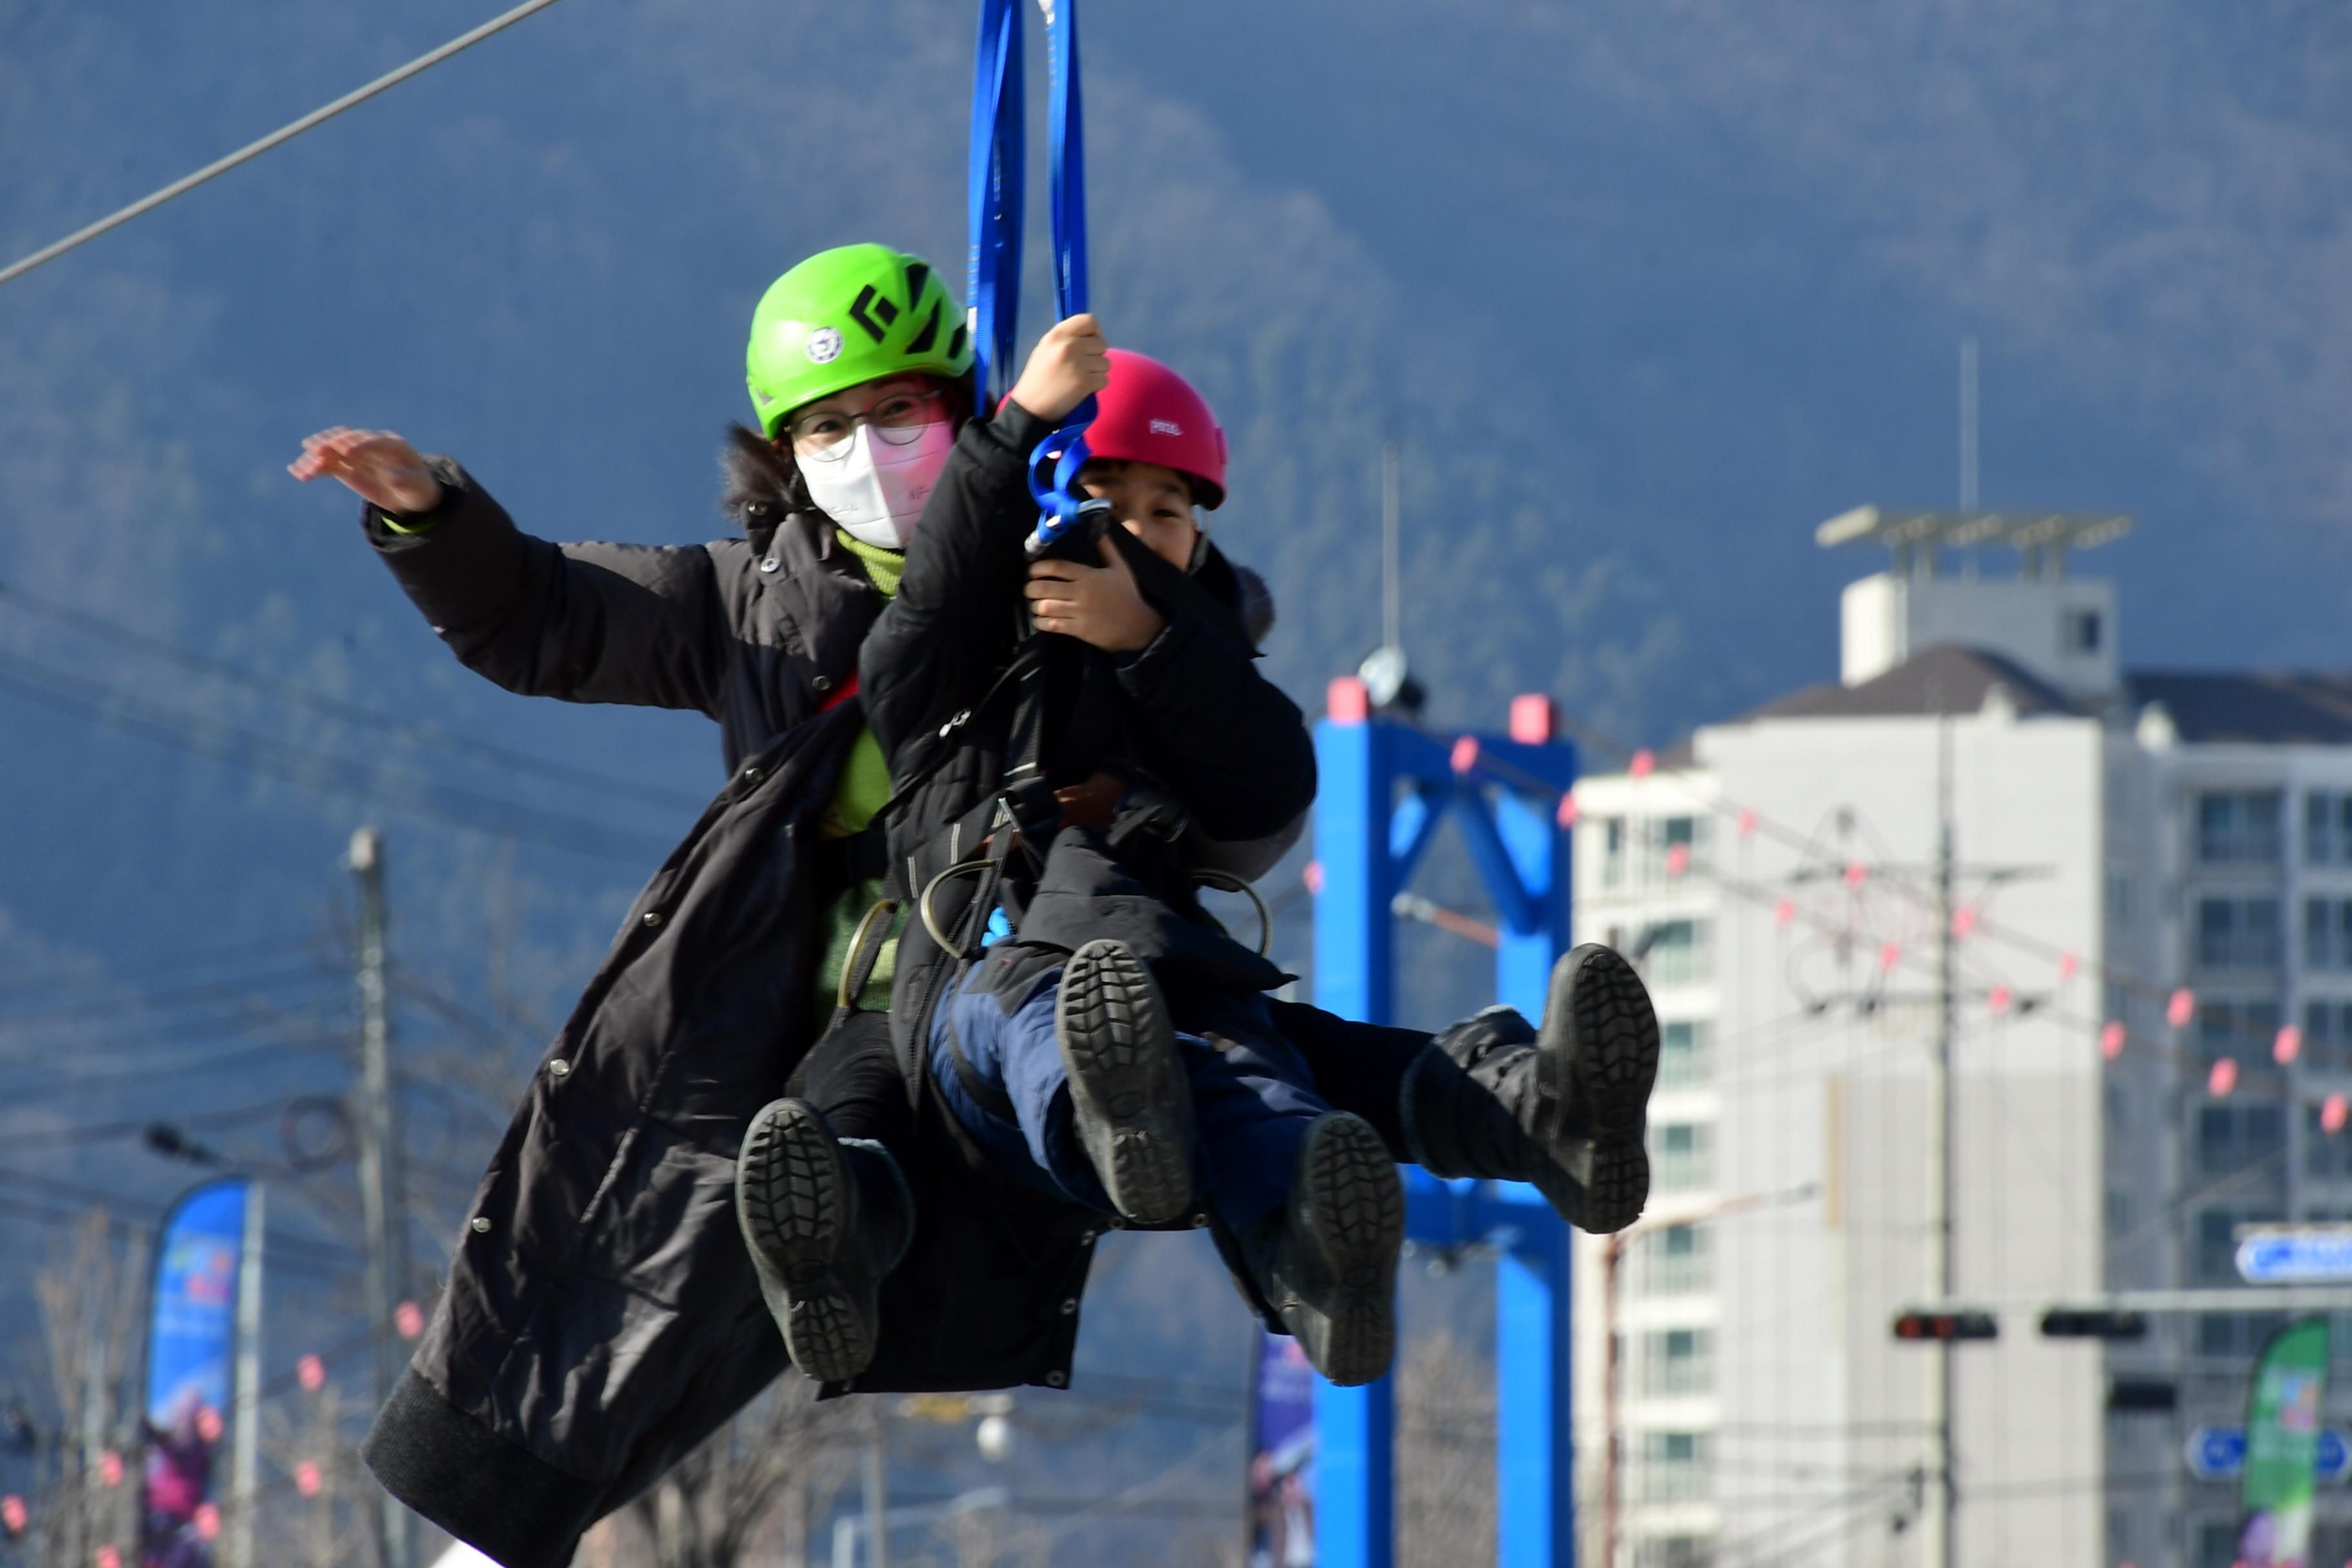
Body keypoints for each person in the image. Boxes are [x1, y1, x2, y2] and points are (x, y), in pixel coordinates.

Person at [289, 244, 1656, 1567]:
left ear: (957, 406)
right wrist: (430, 515)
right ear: (784, 454)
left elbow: (1246, 785)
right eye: (829, 427)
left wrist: (1142, 620)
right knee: (763, 1192)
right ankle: (878, 1231)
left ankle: (1435, 1142)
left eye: (896, 413)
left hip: (1064, 952)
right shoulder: (753, 605)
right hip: (847, 1003)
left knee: (1244, 1057)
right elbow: (548, 615)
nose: (869, 450)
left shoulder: (1092, 568)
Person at [734, 325, 1661, 1396]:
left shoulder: (1193, 660)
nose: (1136, 530)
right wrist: (1016, 430)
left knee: (1263, 1078)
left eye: (1167, 513)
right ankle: (1039, 1153)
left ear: (1201, 540)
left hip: (1164, 970)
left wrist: (1151, 640)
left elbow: (1269, 778)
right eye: (1108, 502)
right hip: (988, 977)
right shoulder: (971, 663)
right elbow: (920, 625)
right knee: (1021, 1033)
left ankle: (1470, 1153)